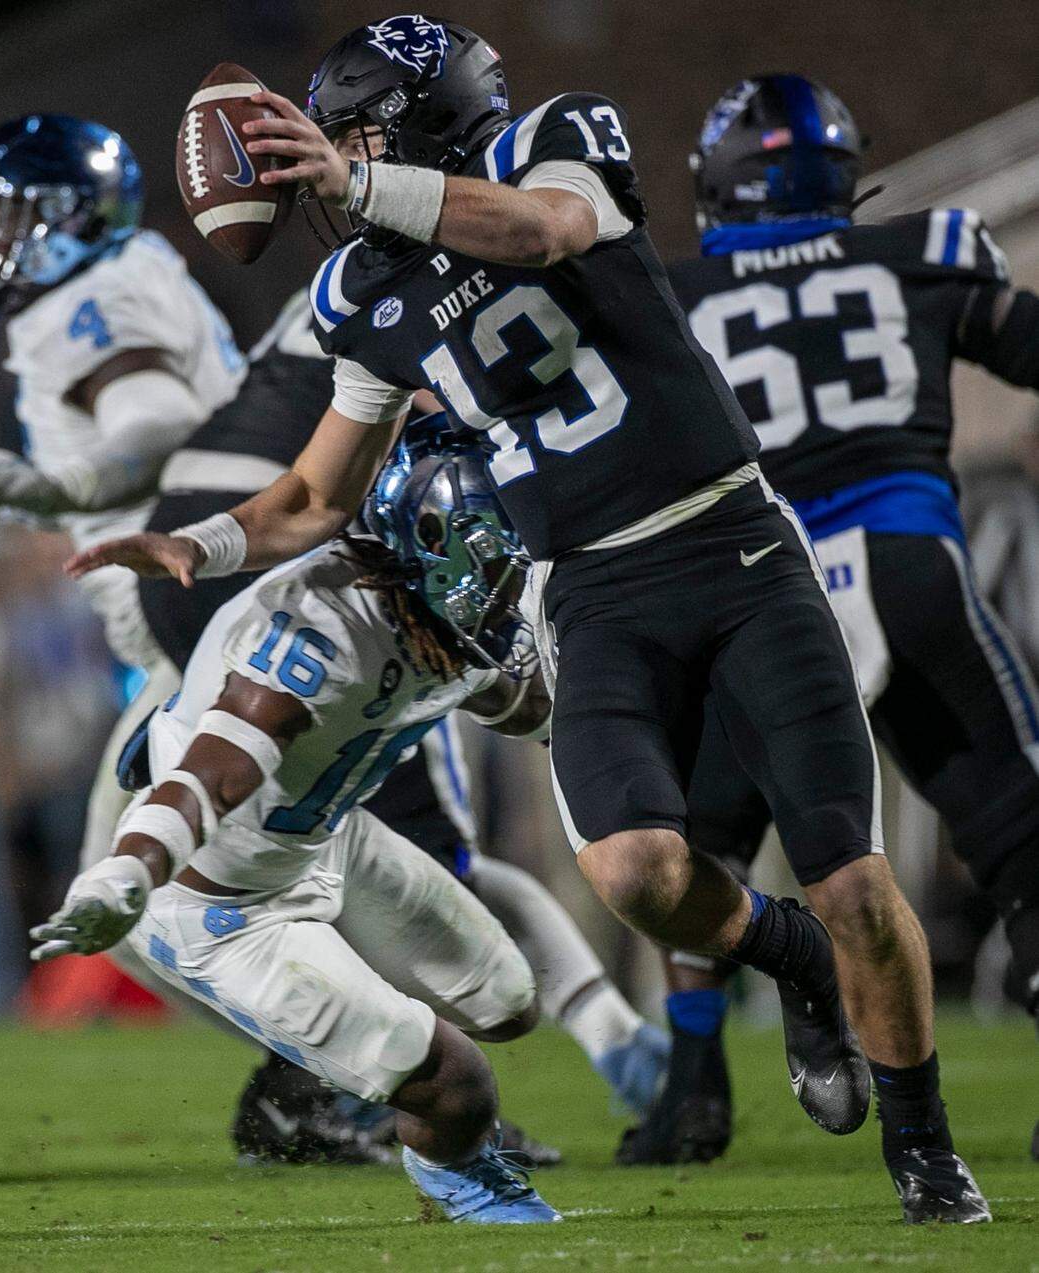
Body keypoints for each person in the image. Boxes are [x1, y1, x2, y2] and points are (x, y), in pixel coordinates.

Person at [68, 17, 988, 1222]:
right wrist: (199, 543)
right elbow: (315, 492)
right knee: (639, 874)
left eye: (353, 135)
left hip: (735, 544)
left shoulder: (554, 138)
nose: (332, 166)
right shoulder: (360, 287)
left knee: (858, 883)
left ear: (419, 116)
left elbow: (546, 231)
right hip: (591, 586)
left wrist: (360, 179)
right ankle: (788, 956)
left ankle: (924, 1147)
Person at [610, 74, 1039, 1168]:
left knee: (702, 846)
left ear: (721, 191)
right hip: (907, 566)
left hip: (762, 589)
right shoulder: (922, 251)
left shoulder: (676, 290)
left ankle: (695, 1088)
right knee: (1017, 829)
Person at [141, 296, 670, 1162]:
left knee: (278, 816)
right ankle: (338, 1084)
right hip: (308, 541)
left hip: (213, 537)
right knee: (408, 848)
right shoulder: (428, 272)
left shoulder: (365, 269)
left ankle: (312, 1071)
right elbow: (429, 435)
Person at [33, 437, 561, 1224]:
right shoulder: (311, 641)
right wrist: (127, 874)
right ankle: (456, 1178)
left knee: (510, 1001)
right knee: (461, 1088)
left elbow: (518, 700)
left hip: (326, 840)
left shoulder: (433, 604)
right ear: (429, 559)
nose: (507, 587)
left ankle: (380, 1079)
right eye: (494, 568)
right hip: (221, 906)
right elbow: (205, 782)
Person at [0, 113, 245, 884]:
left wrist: (52, 489)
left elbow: (157, 422)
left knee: (165, 895)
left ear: (66, 219)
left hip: (203, 625)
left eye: (7, 217)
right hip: (211, 614)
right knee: (133, 889)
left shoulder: (84, 302)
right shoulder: (129, 268)